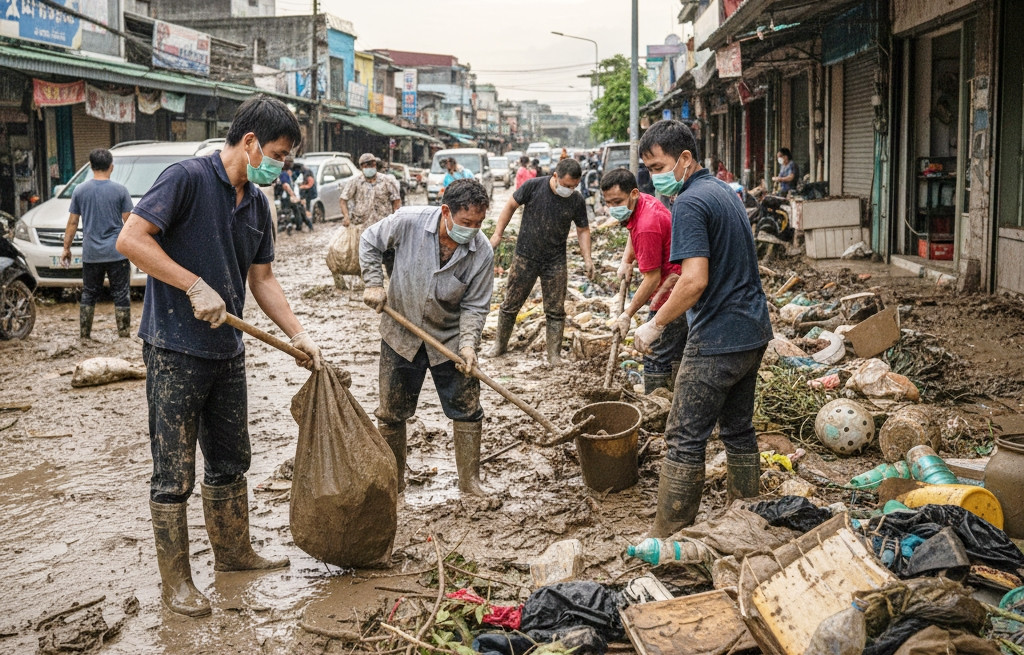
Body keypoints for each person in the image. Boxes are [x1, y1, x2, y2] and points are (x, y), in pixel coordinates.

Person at [115, 95, 323, 618]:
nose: (280, 164)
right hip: (175, 349)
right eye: (277, 152)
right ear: (249, 142)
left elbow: (263, 278)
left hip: (227, 352)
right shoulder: (185, 178)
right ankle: (177, 584)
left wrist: (298, 334)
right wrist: (192, 285)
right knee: (173, 473)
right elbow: (131, 239)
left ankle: (233, 553)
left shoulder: (256, 203)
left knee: (232, 459)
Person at [636, 119, 772, 538]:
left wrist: (655, 326)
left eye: (659, 166)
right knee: (738, 429)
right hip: (752, 331)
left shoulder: (690, 204)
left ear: (685, 158)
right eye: (649, 169)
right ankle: (746, 521)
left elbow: (694, 280)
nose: (655, 177)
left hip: (717, 337)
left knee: (684, 437)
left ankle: (668, 536)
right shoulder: (723, 193)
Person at [360, 179, 493, 496]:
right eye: (466, 222)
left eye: (479, 223)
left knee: (468, 409)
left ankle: (470, 483)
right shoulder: (408, 221)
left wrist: (468, 346)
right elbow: (369, 241)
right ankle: (395, 483)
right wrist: (373, 283)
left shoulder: (482, 252)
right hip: (400, 334)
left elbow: (475, 306)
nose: (472, 230)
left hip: (449, 340)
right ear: (446, 211)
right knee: (391, 413)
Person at [488, 158, 594, 366]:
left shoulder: (576, 200)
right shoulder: (533, 186)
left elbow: (582, 229)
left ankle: (554, 355)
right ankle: (499, 346)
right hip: (525, 256)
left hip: (555, 261)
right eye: (566, 185)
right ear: (555, 177)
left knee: (555, 310)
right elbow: (510, 205)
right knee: (511, 303)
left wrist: (587, 258)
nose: (570, 189)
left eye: (574, 186)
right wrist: (497, 234)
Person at [601, 168, 687, 393]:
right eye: (608, 203)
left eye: (617, 201)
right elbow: (632, 228)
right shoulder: (642, 203)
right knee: (675, 350)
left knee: (654, 353)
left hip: (670, 290)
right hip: (677, 282)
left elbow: (651, 279)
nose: (613, 208)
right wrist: (626, 260)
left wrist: (627, 314)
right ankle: (674, 399)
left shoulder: (647, 226)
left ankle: (655, 406)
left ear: (633, 194)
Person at [60, 148, 134, 339]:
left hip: (91, 253)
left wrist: (66, 248)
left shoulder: (80, 190)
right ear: (112, 167)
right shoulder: (121, 191)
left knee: (89, 294)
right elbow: (130, 223)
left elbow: (73, 223)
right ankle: (124, 336)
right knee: (121, 293)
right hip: (118, 252)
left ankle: (84, 336)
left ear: (91, 166)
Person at [341, 153, 402, 228]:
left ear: (375, 165)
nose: (370, 167)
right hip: (361, 225)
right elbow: (343, 200)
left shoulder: (387, 181)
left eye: (372, 165)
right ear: (361, 167)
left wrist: (395, 217)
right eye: (366, 166)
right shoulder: (355, 182)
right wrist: (346, 216)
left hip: (382, 224)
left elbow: (396, 200)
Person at [277, 159, 303, 235]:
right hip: (287, 197)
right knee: (291, 211)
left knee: (290, 211)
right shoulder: (284, 174)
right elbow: (286, 186)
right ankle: (293, 226)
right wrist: (293, 195)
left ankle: (291, 226)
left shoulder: (283, 174)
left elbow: (286, 186)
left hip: (287, 197)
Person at [296, 163, 317, 229]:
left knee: (307, 210)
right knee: (305, 210)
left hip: (309, 196)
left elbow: (310, 185)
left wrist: (302, 186)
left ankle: (310, 225)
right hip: (306, 196)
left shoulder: (309, 177)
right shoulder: (304, 175)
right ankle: (309, 225)